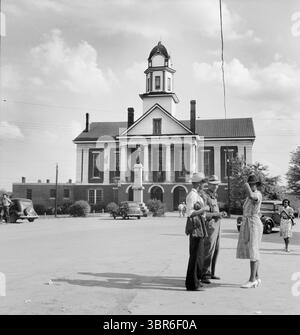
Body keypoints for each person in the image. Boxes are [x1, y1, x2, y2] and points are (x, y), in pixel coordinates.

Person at [236, 175, 263, 289]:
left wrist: (246, 185)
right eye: (250, 184)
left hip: (254, 223)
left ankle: (252, 279)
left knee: (253, 251)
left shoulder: (257, 194)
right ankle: (256, 277)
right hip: (249, 223)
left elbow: (252, 196)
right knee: (253, 250)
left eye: (252, 184)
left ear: (256, 185)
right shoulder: (249, 196)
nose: (251, 186)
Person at [185, 172, 210, 291]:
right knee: (195, 256)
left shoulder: (197, 195)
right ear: (198, 183)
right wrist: (204, 209)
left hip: (200, 226)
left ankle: (196, 281)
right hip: (195, 227)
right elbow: (190, 213)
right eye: (202, 183)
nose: (204, 185)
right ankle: (192, 284)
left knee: (199, 255)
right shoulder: (192, 195)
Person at [201, 175, 226, 284]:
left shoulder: (213, 196)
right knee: (208, 250)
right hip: (210, 226)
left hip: (217, 226)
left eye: (217, 184)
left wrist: (220, 214)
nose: (216, 186)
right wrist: (217, 214)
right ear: (209, 184)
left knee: (216, 250)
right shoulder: (204, 196)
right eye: (214, 184)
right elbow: (204, 213)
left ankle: (211, 272)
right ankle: (204, 274)